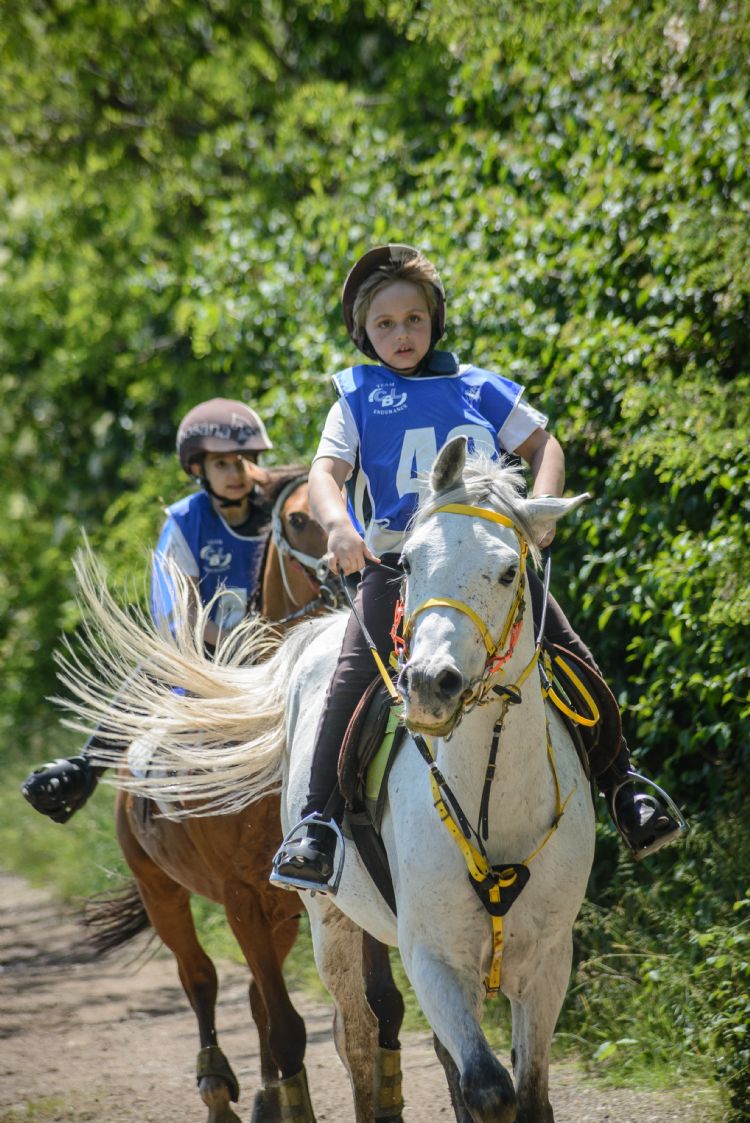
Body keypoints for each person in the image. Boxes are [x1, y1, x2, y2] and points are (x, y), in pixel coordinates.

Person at [271, 243, 683, 891]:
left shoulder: (479, 387)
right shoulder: (356, 395)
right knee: (352, 677)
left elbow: (544, 443)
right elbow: (326, 474)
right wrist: (340, 524)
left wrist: (535, 512)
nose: (401, 333)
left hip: (482, 564)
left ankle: (623, 787)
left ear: (434, 320)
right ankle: (317, 822)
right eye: (384, 323)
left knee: (570, 654)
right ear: (363, 332)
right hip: (399, 564)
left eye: (413, 319)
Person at [22, 398, 274, 823]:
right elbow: (181, 618)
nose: (235, 474)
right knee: (154, 668)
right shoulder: (184, 521)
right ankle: (87, 770)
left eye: (243, 462)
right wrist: (240, 642)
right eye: (222, 465)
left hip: (277, 650)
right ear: (199, 470)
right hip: (205, 653)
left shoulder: (278, 513)